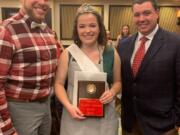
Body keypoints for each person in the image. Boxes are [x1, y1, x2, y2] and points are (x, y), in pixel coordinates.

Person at [54, 3, 121, 135]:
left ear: (100, 28)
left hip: (105, 119)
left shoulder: (111, 53)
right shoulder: (68, 54)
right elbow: (58, 84)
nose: (87, 30)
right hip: (75, 116)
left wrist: (112, 92)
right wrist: (68, 107)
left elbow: (118, 83)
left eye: (92, 25)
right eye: (82, 26)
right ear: (76, 29)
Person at [118, 0, 180, 135]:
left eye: (147, 13)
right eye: (137, 14)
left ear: (157, 13)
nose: (141, 19)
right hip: (130, 125)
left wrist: (176, 121)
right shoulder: (123, 45)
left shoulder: (176, 43)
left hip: (163, 127)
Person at [0, 0, 58, 135]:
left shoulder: (48, 31)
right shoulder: (7, 30)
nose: (43, 2)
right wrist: (7, 128)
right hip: (19, 109)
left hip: (46, 107)